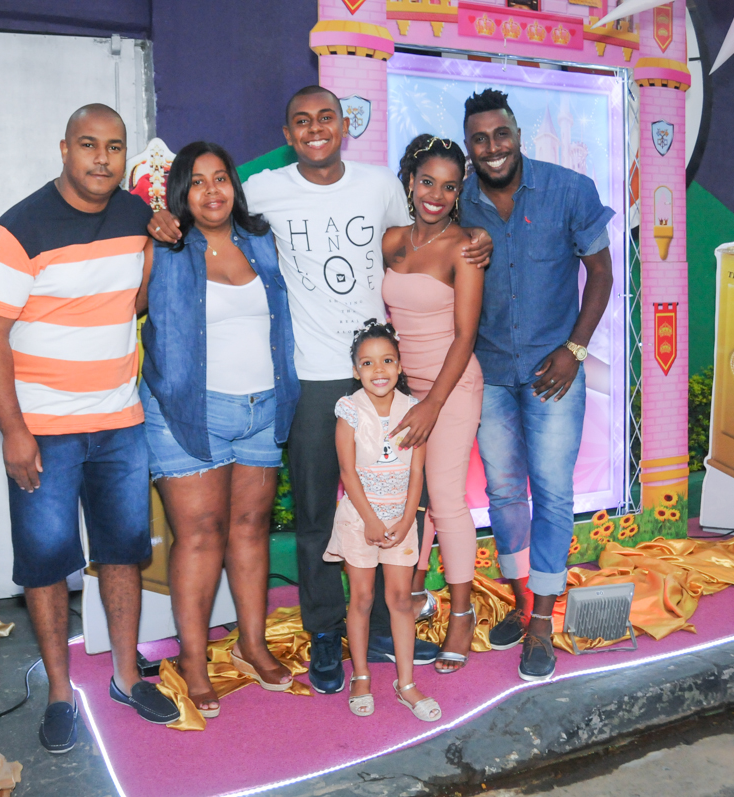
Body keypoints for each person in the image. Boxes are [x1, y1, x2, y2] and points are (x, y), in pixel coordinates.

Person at [147, 86, 492, 695]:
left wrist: (478, 240)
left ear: (343, 127)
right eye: (302, 121)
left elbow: (422, 237)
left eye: (326, 118)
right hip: (306, 376)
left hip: (385, 375)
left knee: (395, 505)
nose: (315, 128)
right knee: (313, 517)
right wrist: (157, 219)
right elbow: (206, 215)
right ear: (288, 133)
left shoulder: (382, 185)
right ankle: (327, 632)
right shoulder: (264, 191)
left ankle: (386, 621)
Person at [0, 103, 178, 753]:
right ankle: (61, 692)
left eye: (114, 147)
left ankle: (124, 675)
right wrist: (12, 430)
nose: (102, 159)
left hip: (120, 423)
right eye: (88, 145)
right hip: (45, 430)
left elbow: (134, 301)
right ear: (63, 148)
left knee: (122, 552)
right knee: (45, 564)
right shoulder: (17, 228)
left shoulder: (134, 217)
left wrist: (163, 239)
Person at [138, 141, 300, 718]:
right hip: (187, 411)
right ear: (181, 193)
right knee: (201, 536)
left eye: (222, 178)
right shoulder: (164, 248)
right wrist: (144, 230)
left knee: (251, 529)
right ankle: (194, 659)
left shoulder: (262, 243)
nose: (213, 191)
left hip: (263, 409)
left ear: (235, 185)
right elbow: (122, 306)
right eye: (198, 181)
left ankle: (252, 646)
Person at [460, 89, 615, 682]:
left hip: (555, 373)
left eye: (501, 135)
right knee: (503, 495)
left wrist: (575, 350)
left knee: (551, 494)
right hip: (490, 372)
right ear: (470, 146)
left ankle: (543, 623)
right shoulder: (459, 203)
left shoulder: (569, 189)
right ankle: (524, 603)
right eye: (480, 139)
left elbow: (599, 272)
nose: (492, 148)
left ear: (517, 134)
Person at [382, 135, 485, 674]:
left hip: (452, 386)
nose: (436, 196)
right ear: (410, 181)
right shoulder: (393, 240)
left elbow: (465, 336)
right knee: (409, 497)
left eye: (449, 187)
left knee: (445, 498)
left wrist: (430, 405)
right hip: (404, 390)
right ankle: (415, 594)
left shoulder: (466, 247)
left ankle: (462, 614)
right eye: (427, 183)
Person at [325, 321, 439, 722]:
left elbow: (417, 473)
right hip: (361, 520)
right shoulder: (350, 410)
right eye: (368, 363)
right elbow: (347, 471)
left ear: (400, 364)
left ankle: (405, 683)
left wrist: (409, 517)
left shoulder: (414, 409)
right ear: (356, 370)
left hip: (401, 519)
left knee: (399, 601)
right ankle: (360, 675)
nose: (379, 370)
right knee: (361, 598)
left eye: (387, 360)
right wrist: (371, 521)